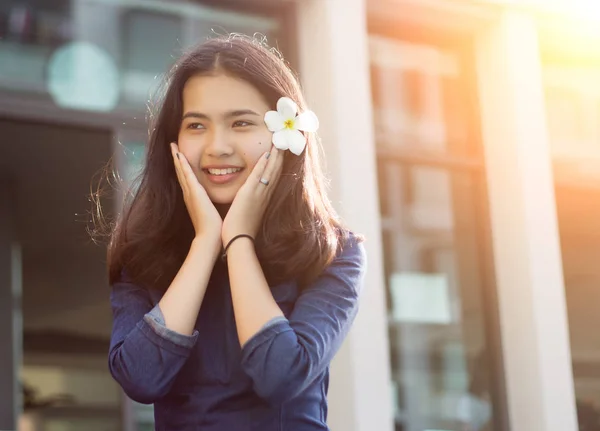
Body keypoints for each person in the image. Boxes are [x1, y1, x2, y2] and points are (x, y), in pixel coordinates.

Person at [104, 35, 366, 430]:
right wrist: (205, 243)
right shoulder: (144, 251)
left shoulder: (331, 251)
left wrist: (238, 240)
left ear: (286, 133)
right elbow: (140, 377)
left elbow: (280, 374)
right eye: (196, 125)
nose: (218, 146)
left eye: (241, 123)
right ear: (174, 141)